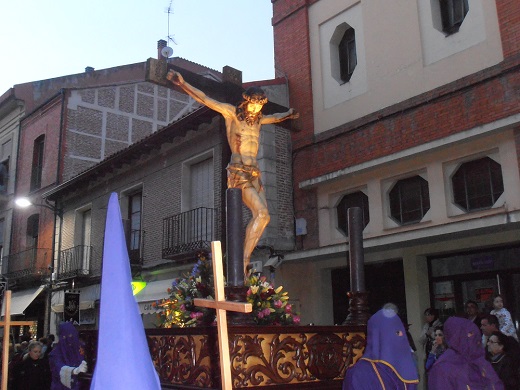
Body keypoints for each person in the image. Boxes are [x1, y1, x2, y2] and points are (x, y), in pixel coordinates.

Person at [167, 70, 299, 275]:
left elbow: (274, 118)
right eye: (254, 104)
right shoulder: (231, 113)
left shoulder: (258, 120)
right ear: (246, 101)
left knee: (264, 218)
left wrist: (287, 114)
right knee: (262, 213)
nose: (257, 108)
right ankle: (243, 261)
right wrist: (183, 84)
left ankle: (244, 259)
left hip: (255, 173)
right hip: (238, 172)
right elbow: (205, 99)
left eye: (260, 105)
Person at [342, 304, 419, 389]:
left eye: (401, 332)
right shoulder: (359, 373)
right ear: (378, 337)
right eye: (396, 333)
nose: (401, 337)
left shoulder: (407, 370)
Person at [428, 317, 503, 390]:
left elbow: (495, 384)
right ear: (456, 337)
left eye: (474, 334)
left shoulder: (480, 361)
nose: (473, 339)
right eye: (468, 334)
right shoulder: (443, 367)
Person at [48, 322, 88, 390]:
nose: (68, 340)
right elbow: (58, 366)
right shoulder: (55, 353)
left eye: (70, 336)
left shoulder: (81, 348)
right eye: (64, 337)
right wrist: (74, 371)